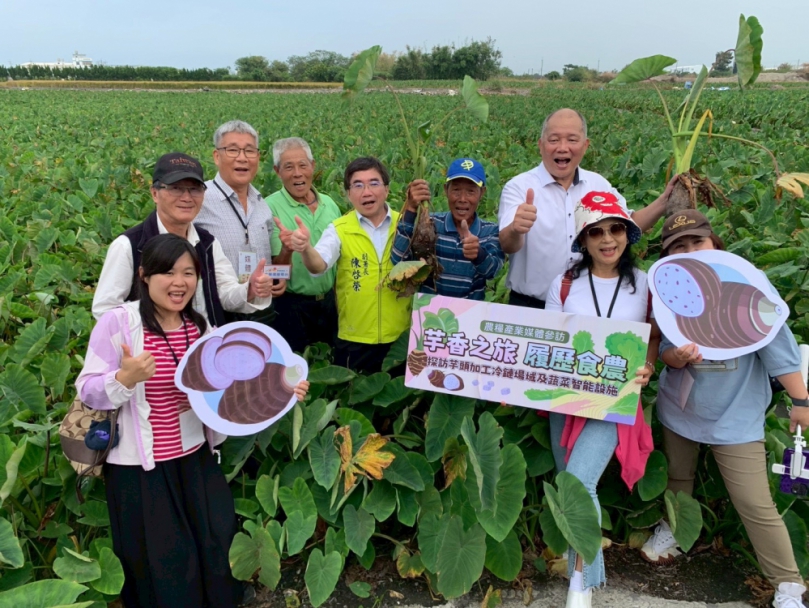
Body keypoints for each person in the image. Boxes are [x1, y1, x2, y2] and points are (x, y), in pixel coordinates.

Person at [76, 234, 309, 607]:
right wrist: (124, 379)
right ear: (144, 275)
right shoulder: (119, 324)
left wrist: (284, 390)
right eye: (167, 272)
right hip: (141, 470)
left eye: (189, 272)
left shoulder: (198, 328)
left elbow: (239, 387)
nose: (179, 282)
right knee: (165, 562)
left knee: (214, 544)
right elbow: (87, 390)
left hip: (195, 457)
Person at [639, 210, 809, 608]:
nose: (690, 251)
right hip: (681, 407)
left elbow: (780, 352)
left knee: (752, 500)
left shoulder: (747, 290)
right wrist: (676, 357)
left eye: (696, 242)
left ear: (715, 244)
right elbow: (661, 347)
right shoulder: (671, 291)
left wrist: (800, 402)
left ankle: (787, 584)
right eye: (678, 247)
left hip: (735, 414)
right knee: (678, 477)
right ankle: (677, 532)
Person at [545, 191, 660, 608]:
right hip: (566, 397)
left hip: (615, 399)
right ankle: (580, 559)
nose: (607, 239)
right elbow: (548, 335)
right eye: (596, 232)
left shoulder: (645, 284)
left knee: (578, 482)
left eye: (615, 229)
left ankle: (581, 581)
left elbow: (654, 334)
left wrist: (648, 366)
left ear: (627, 234)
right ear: (583, 240)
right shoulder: (563, 282)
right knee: (568, 483)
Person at [498, 108, 674, 309]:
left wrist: (664, 201)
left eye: (572, 140)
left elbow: (628, 224)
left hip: (586, 307)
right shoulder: (519, 187)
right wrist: (515, 229)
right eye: (554, 140)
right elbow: (507, 245)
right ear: (540, 145)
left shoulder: (598, 185)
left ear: (585, 145)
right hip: (530, 307)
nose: (563, 147)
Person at [92, 152, 273, 327]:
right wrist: (142, 341)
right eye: (176, 188)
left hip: (203, 350)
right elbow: (105, 310)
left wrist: (250, 289)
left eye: (194, 189)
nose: (186, 198)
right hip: (151, 354)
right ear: (155, 193)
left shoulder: (207, 243)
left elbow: (224, 293)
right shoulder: (129, 246)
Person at [284, 157, 410, 373]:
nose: (366, 192)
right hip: (354, 338)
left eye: (374, 183)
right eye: (358, 185)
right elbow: (319, 265)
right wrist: (305, 248)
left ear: (387, 190)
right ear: (348, 194)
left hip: (401, 338)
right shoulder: (338, 229)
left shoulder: (406, 226)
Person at [194, 120, 286, 324]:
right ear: (217, 156)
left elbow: (265, 259)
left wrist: (278, 276)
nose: (242, 158)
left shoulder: (261, 203)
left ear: (258, 157)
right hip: (215, 313)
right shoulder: (199, 199)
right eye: (233, 150)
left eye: (249, 151)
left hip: (261, 311)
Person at [390, 158, 504, 300]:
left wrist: (478, 254)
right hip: (429, 312)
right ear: (446, 190)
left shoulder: (489, 231)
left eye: (470, 191)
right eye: (456, 190)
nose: (462, 198)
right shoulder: (431, 224)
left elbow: (493, 271)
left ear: (482, 193)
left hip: (470, 314)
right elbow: (398, 260)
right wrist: (411, 209)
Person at [267, 137, 341, 352]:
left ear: (313, 166)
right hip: (291, 305)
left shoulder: (330, 205)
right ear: (277, 171)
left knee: (330, 359)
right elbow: (274, 274)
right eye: (288, 167)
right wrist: (286, 250)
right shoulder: (269, 208)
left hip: (329, 303)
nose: (297, 173)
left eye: (302, 165)